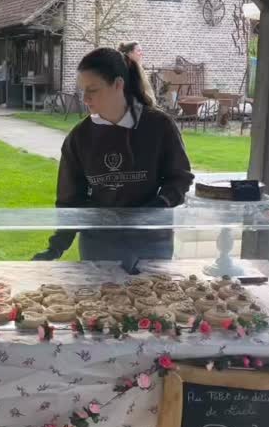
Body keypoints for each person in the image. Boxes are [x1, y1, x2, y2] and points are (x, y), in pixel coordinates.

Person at [32, 47, 193, 272]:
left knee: (152, 305)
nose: (85, 99)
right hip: (99, 244)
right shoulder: (80, 137)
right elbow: (70, 200)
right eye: (83, 91)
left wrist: (157, 206)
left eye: (93, 90)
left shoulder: (159, 126)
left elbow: (180, 178)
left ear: (118, 84)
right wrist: (56, 247)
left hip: (151, 242)